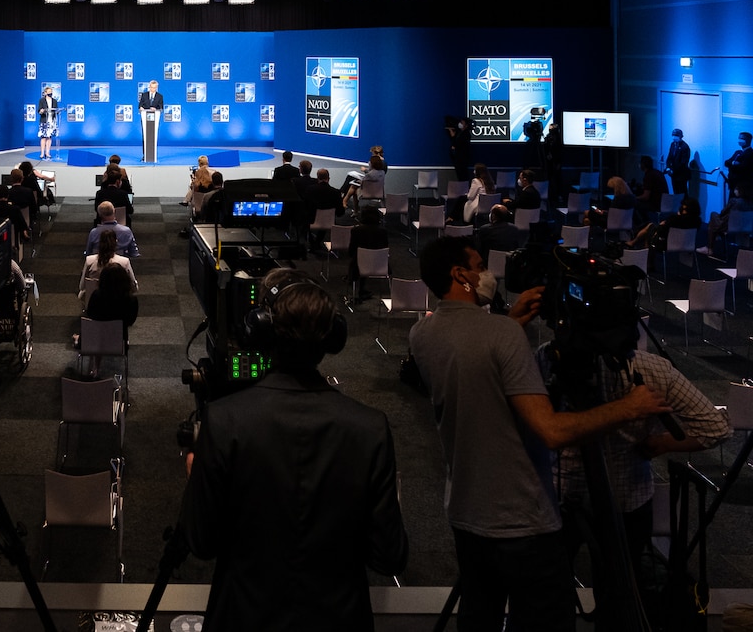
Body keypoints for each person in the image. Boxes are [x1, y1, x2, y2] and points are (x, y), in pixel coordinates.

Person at [408, 237, 668, 632]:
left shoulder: (422, 334)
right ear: (460, 274)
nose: (486, 273)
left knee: (480, 616)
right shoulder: (503, 335)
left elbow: (474, 357)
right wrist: (629, 408)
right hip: (523, 521)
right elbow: (551, 430)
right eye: (479, 265)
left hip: (465, 511)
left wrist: (509, 323)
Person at [179, 268, 407, 630]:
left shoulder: (224, 421)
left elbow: (202, 542)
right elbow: (389, 556)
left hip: (244, 616)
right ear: (331, 337)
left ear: (262, 331)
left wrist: (198, 480)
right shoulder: (370, 428)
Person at [555, 348, 731, 571]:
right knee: (618, 591)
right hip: (627, 497)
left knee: (550, 591)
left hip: (558, 497)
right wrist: (660, 443)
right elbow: (716, 428)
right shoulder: (653, 368)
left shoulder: (549, 360)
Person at [78, 229, 137, 306]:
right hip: (118, 305)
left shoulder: (89, 260)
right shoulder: (124, 262)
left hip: (95, 305)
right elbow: (134, 288)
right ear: (116, 242)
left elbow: (82, 286)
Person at [347, 205, 388, 298]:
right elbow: (385, 247)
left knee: (357, 258)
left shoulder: (356, 230)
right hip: (379, 263)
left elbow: (351, 249)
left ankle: (352, 280)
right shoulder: (383, 231)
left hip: (358, 263)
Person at [138, 79, 165, 159]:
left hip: (154, 119)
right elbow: (139, 106)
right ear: (149, 87)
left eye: (154, 88)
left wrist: (156, 109)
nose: (153, 89)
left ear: (157, 88)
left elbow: (161, 107)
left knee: (153, 136)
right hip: (145, 119)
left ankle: (153, 154)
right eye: (151, 87)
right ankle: (145, 155)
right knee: (145, 136)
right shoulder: (144, 95)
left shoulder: (160, 96)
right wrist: (141, 108)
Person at [724, 130, 753, 201]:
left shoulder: (751, 154)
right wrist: (734, 163)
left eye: (742, 139)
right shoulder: (738, 152)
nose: (740, 140)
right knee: (731, 204)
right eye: (739, 138)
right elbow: (726, 162)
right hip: (732, 184)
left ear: (748, 140)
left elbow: (743, 168)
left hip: (743, 186)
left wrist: (732, 165)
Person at [664, 128, 692, 196]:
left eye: (675, 136)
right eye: (673, 135)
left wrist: (673, 170)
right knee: (675, 192)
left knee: (682, 193)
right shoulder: (673, 145)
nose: (674, 138)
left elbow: (683, 163)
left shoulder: (685, 147)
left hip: (681, 175)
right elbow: (669, 157)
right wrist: (668, 167)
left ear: (680, 136)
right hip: (673, 175)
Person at [37, 85, 59, 161]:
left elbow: (56, 110)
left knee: (49, 137)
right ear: (45, 93)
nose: (50, 93)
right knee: (43, 137)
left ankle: (47, 152)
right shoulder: (41, 100)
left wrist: (57, 111)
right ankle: (42, 153)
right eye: (49, 92)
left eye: (51, 92)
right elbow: (39, 110)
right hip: (44, 120)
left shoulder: (54, 101)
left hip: (52, 121)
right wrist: (41, 111)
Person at [447, 116, 472, 181]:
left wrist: (454, 145)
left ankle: (464, 189)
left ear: (466, 125)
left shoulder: (466, 134)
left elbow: (459, 144)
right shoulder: (460, 133)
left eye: (462, 123)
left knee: (463, 176)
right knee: (460, 176)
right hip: (458, 159)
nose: (460, 124)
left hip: (462, 159)